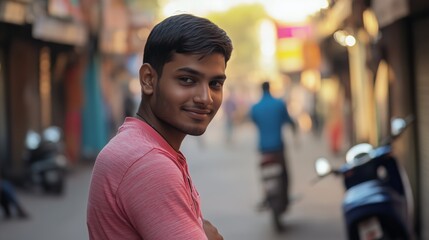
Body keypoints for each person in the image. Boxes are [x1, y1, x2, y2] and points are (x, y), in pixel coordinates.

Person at [86, 14, 232, 240]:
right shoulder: (147, 162)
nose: (206, 98)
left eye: (215, 84)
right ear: (148, 79)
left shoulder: (138, 146)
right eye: (187, 80)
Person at [250, 81, 297, 219]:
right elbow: (288, 120)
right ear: (270, 88)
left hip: (263, 148)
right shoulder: (279, 104)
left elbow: (255, 122)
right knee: (284, 174)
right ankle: (285, 197)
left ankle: (267, 196)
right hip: (278, 147)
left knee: (264, 175)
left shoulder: (255, 107)